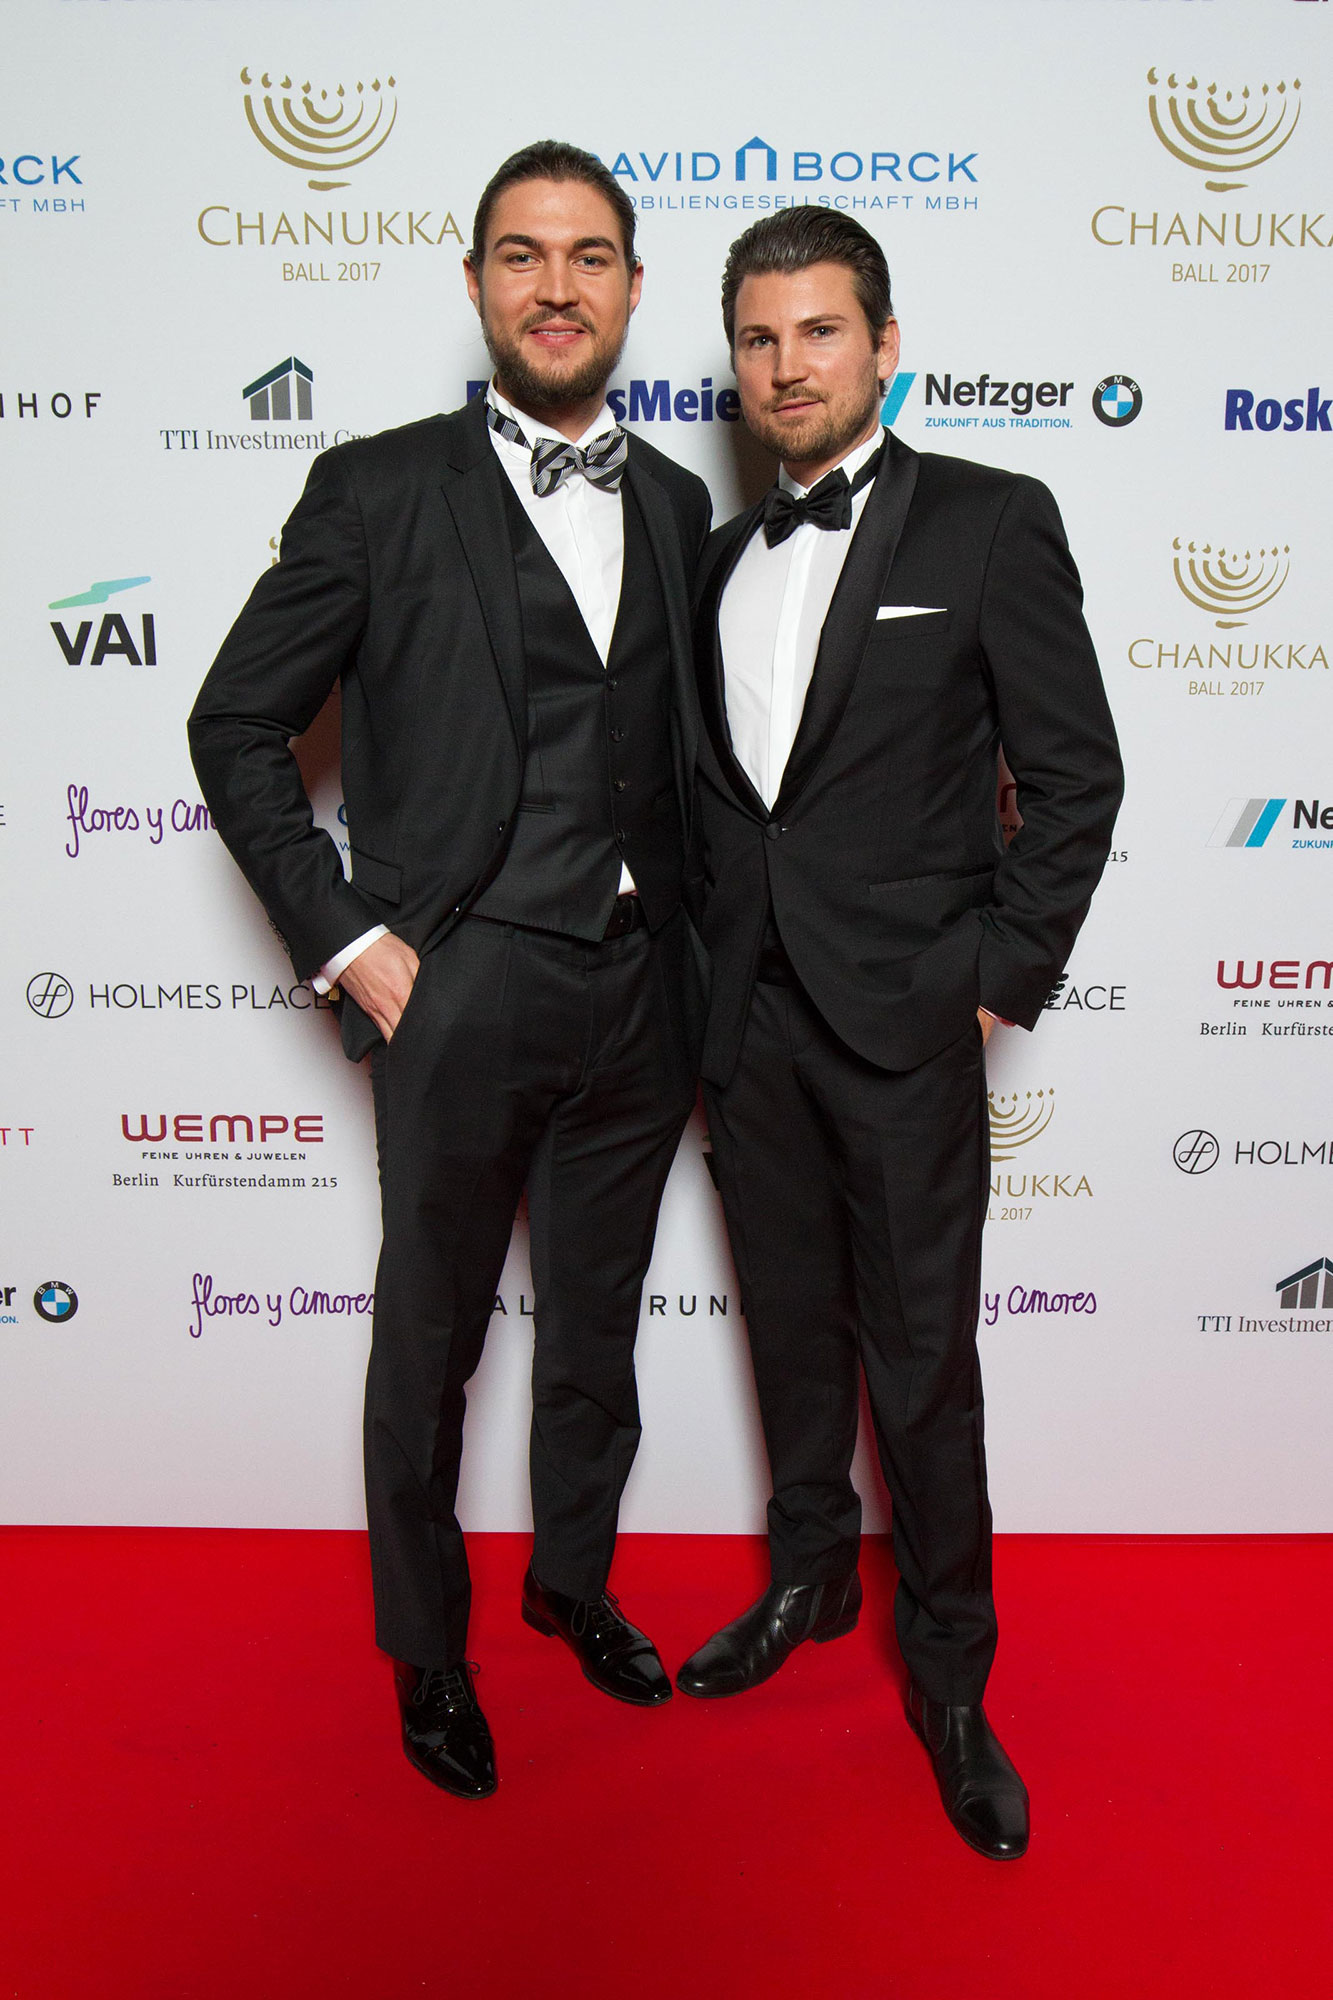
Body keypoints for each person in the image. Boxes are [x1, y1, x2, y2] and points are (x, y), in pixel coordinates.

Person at [188, 141, 712, 1801]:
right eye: (521, 255)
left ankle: (572, 1582)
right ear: (476, 282)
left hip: (641, 986)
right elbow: (234, 723)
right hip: (458, 982)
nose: (555, 286)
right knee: (429, 1341)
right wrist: (349, 941)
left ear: (631, 286)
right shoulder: (375, 488)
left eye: (586, 256)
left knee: (597, 1327)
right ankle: (426, 1651)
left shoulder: (676, 502)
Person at [675, 208, 1123, 1860]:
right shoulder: (713, 557)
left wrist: (996, 975)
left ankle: (948, 1678)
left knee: (921, 1366)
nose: (786, 365)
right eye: (759, 338)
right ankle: (806, 1576)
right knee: (790, 1332)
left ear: (881, 345)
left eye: (818, 332)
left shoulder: (993, 520)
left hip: (903, 1019)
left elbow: (1074, 776)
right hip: (745, 1020)